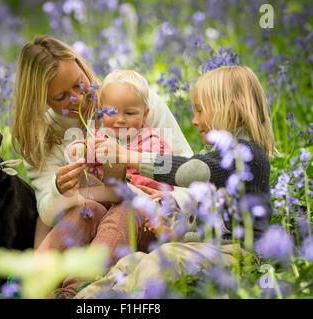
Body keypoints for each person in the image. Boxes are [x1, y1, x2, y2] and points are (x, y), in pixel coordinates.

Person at [10, 35, 194, 297]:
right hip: (86, 230)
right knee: (89, 207)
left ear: (82, 67)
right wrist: (58, 189)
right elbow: (47, 212)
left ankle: (78, 290)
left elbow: (189, 171)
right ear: (41, 101)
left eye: (79, 84)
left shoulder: (131, 100)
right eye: (61, 96)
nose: (77, 98)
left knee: (125, 208)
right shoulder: (41, 134)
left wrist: (169, 197)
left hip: (144, 220)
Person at [77, 65, 276, 298]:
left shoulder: (246, 155)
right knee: (133, 262)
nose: (194, 120)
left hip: (239, 253)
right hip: (208, 246)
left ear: (229, 108)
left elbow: (190, 170)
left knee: (162, 260)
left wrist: (126, 156)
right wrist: (172, 219)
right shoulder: (219, 153)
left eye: (201, 111)